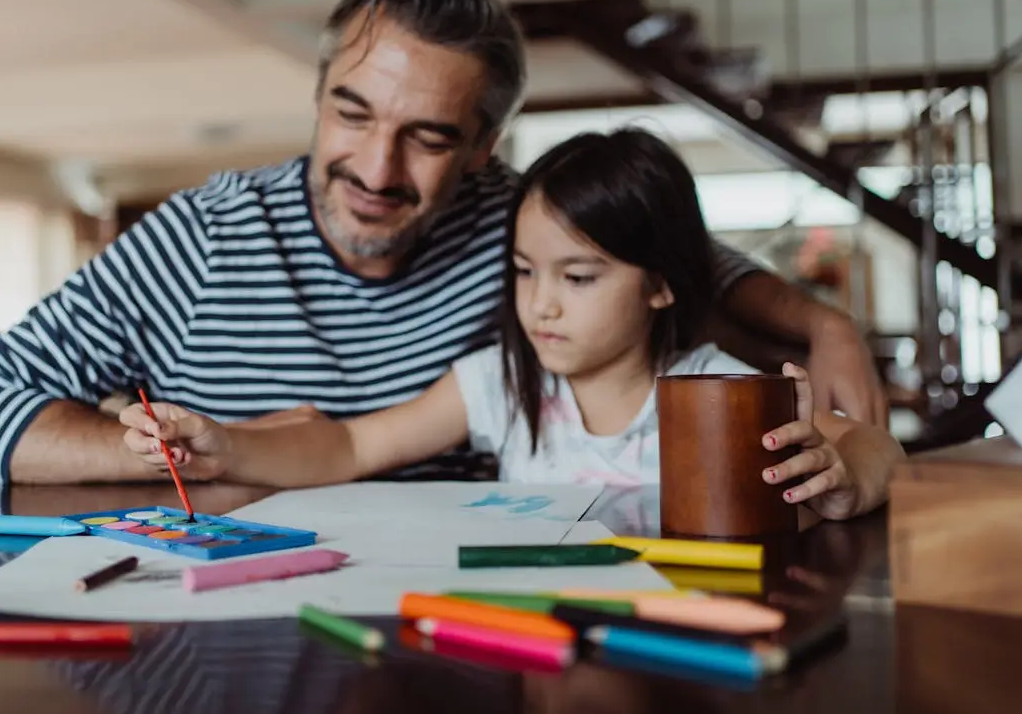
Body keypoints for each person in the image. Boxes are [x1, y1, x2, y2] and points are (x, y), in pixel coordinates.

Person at [0, 0, 887, 485]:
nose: (375, 171)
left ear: (480, 147)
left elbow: (680, 261)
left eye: (425, 138)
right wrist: (181, 451)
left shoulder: (516, 219)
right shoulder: (202, 236)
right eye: (351, 115)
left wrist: (823, 324)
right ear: (318, 95)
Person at [121, 129, 904, 521]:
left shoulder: (710, 389)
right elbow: (354, 442)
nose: (543, 304)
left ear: (660, 284)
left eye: (580, 276)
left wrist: (845, 478)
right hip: (530, 641)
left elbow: (877, 446)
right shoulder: (501, 379)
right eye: (526, 271)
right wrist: (226, 443)